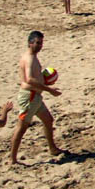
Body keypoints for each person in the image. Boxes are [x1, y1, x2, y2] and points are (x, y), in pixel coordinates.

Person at [9, 31, 63, 164]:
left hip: (35, 97)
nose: (40, 46)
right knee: (22, 127)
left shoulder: (32, 57)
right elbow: (29, 79)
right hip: (30, 97)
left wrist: (44, 82)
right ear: (30, 43)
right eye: (37, 43)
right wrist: (49, 90)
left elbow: (33, 78)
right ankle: (12, 159)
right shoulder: (29, 58)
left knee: (48, 120)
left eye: (41, 43)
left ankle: (52, 148)